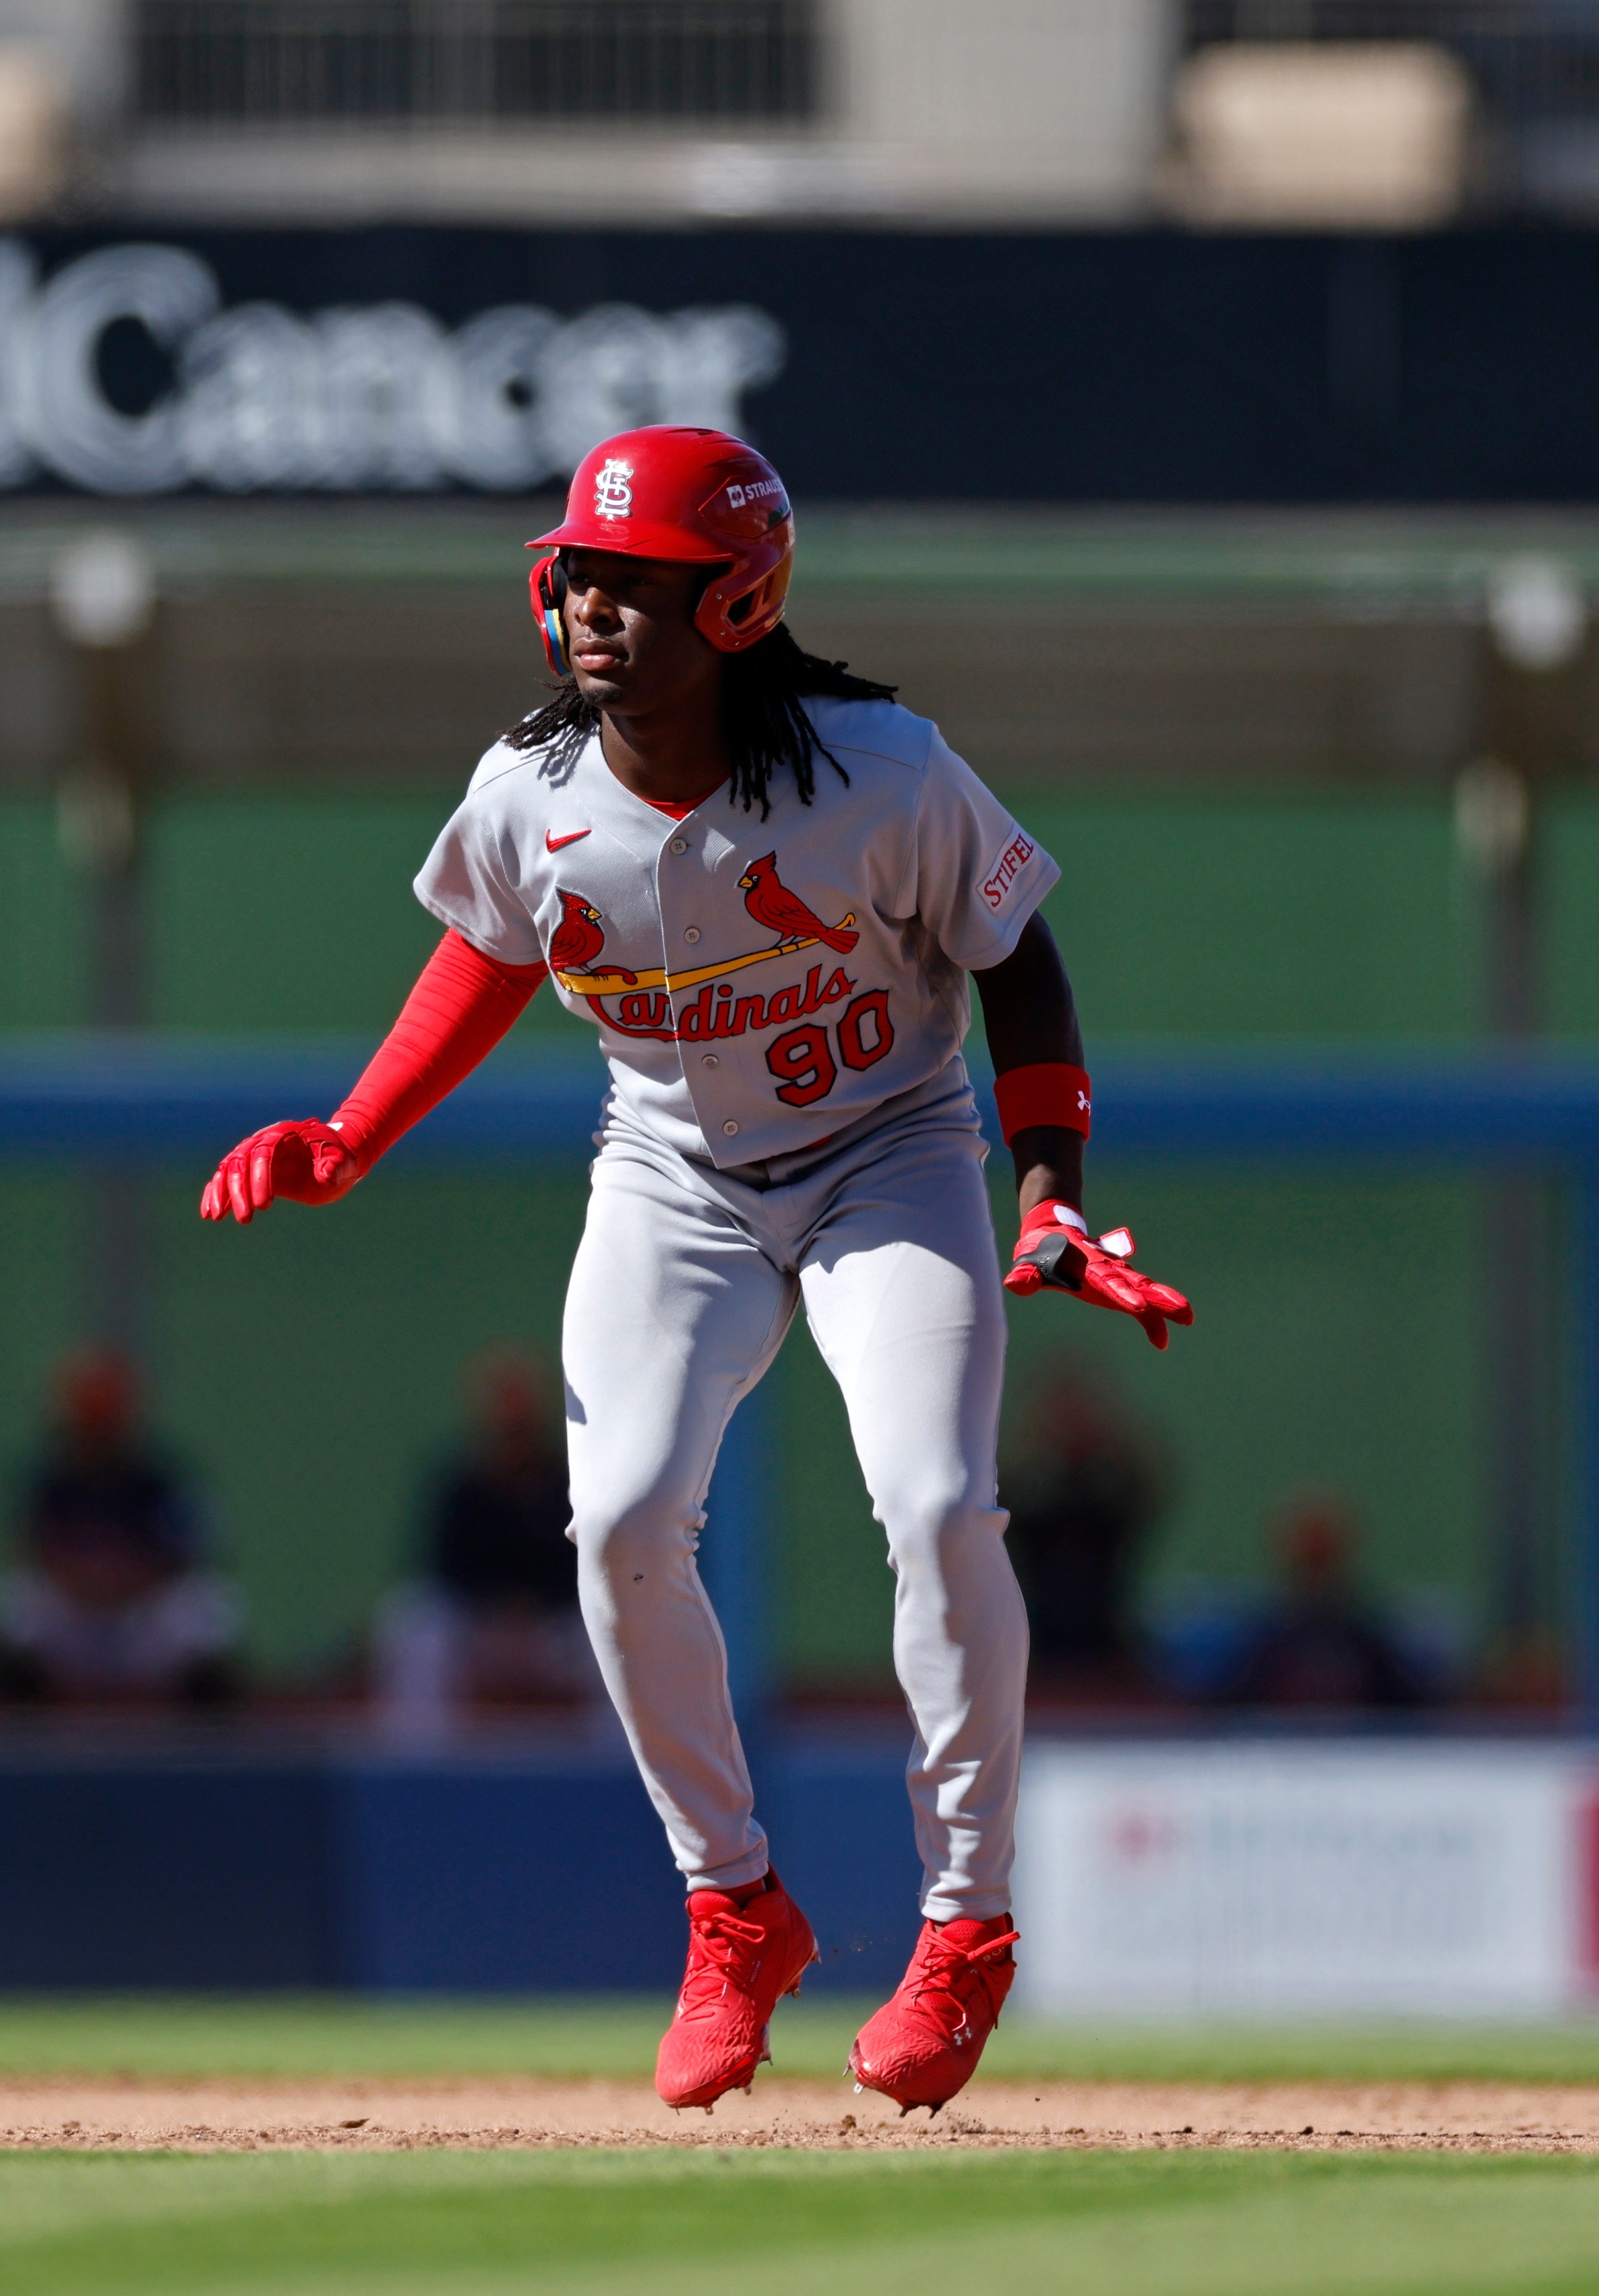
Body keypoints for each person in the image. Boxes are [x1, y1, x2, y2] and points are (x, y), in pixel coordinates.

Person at [199, 425, 1191, 2114]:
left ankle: (962, 1927)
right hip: (670, 1176)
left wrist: (1047, 1194)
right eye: (579, 572)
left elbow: (1015, 959)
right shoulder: (530, 789)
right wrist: (350, 1135)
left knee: (940, 1502)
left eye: (637, 583)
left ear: (735, 604)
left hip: (890, 1157)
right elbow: (483, 956)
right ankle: (733, 1906)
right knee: (619, 1517)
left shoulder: (879, 770)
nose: (593, 606)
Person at [0, 1345, 239, 1708]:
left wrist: (121, 1581)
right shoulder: (51, 1482)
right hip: (76, 1622)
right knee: (21, 1601)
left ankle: (206, 1724)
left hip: (138, 1623)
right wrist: (87, 1582)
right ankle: (26, 1711)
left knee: (204, 1605)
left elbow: (189, 1554)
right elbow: (32, 1551)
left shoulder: (158, 1480)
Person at [373, 1349, 588, 1730]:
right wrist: (498, 1617)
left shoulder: (570, 1481)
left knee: (615, 1629)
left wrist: (530, 1616)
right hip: (478, 1625)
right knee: (416, 1626)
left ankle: (621, 1766)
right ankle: (419, 1758)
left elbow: (586, 1565)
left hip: (552, 1626)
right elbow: (446, 1566)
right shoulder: (461, 1483)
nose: (513, 1422)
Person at [1005, 1364, 1168, 1702]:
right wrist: (1036, 1438)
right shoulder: (1030, 1499)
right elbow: (995, 1492)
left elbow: (1148, 1481)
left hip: (1110, 1650)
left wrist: (1106, 1434)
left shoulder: (1109, 1497)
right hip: (1037, 1654)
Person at [1221, 1489, 1430, 1712]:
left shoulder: (1369, 1642)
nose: (1316, 1570)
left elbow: (1412, 1709)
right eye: (1309, 1558)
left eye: (1322, 1557)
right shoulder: (1262, 1644)